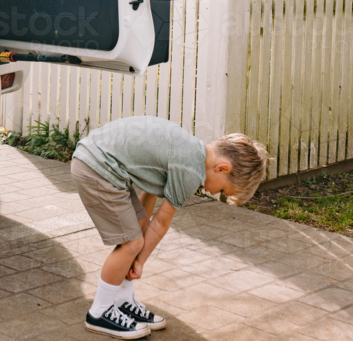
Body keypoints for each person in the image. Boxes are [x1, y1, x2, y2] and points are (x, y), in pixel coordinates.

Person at [71, 116, 268, 339]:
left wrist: (139, 238)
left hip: (97, 159)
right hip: (97, 168)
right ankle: (100, 312)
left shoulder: (189, 149)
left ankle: (122, 300)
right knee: (132, 242)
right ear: (222, 169)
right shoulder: (192, 172)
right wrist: (139, 261)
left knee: (138, 226)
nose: (214, 193)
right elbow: (162, 222)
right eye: (222, 191)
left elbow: (150, 191)